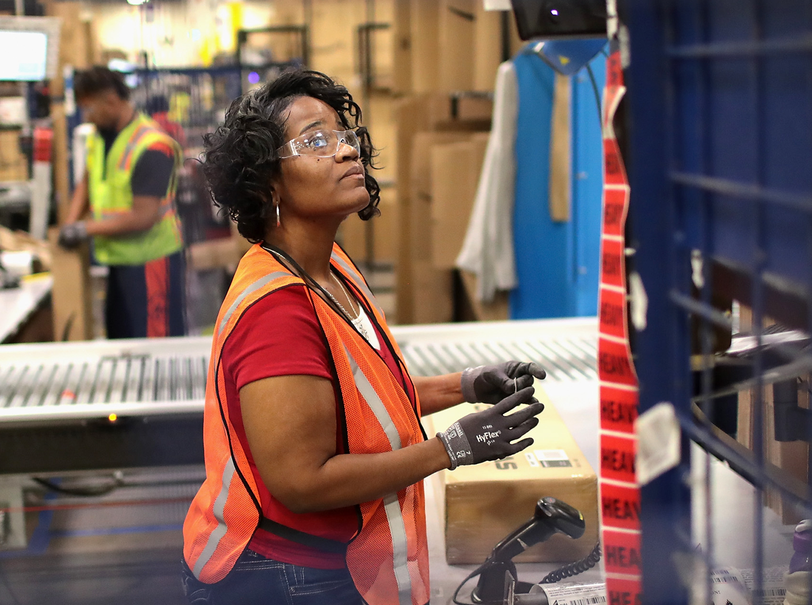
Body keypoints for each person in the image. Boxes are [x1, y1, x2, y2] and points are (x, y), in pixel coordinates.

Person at [181, 70, 549, 605]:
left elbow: (359, 399)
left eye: (344, 135)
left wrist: (465, 386)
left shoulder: (329, 267)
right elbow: (302, 482)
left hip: (327, 563)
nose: (346, 152)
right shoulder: (278, 312)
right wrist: (452, 447)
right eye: (314, 141)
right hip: (280, 577)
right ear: (266, 183)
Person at [59, 66, 187, 339]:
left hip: (152, 263)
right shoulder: (99, 136)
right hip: (119, 262)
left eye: (89, 108)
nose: (86, 116)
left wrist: (85, 229)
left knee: (156, 348)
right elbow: (88, 179)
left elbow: (144, 216)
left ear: (111, 102)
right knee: (121, 343)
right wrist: (70, 221)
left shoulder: (152, 145)